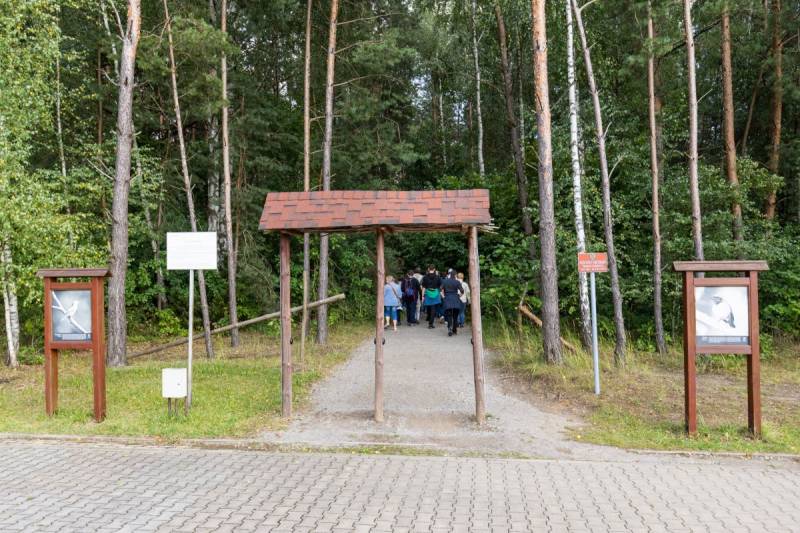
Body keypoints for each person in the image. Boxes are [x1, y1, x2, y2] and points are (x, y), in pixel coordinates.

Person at [441, 269, 464, 336]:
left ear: (450, 275)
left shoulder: (445, 281)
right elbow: (462, 291)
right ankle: (454, 329)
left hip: (447, 298)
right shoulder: (457, 282)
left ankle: (449, 328)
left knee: (449, 315)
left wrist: (443, 296)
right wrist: (459, 296)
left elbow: (440, 289)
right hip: (455, 299)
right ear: (455, 275)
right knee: (455, 316)